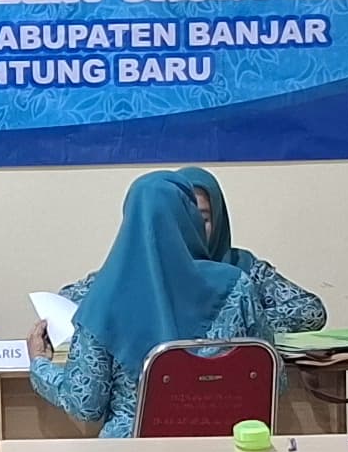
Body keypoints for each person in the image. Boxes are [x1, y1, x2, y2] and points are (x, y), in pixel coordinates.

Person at [31, 173, 265, 436]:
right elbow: (270, 378)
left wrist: (39, 363)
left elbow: (85, 404)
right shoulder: (237, 286)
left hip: (133, 449)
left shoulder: (104, 297)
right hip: (222, 443)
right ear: (191, 221)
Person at [49, 167, 325, 341]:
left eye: (203, 218)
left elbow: (311, 312)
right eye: (182, 219)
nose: (194, 229)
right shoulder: (138, 271)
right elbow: (66, 302)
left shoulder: (242, 271)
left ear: (219, 220)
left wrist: (240, 320)